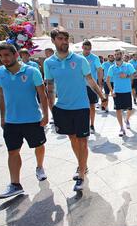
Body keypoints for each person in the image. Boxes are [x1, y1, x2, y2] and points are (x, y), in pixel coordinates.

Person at [44, 28, 107, 192]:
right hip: (63, 108)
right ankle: (82, 165)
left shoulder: (79, 60)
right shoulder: (48, 63)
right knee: (72, 139)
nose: (64, 41)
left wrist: (102, 96)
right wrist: (52, 109)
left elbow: (90, 80)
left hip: (81, 106)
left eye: (66, 38)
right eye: (60, 38)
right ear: (53, 41)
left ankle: (81, 174)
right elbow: (50, 87)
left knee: (83, 141)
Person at [0, 43, 49, 199]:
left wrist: (46, 115)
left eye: (6, 55)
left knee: (39, 146)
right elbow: (1, 95)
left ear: (15, 55)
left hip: (32, 119)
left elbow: (42, 94)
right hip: (11, 121)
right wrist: (2, 117)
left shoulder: (32, 71)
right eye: (0, 56)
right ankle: (15, 184)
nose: (3, 59)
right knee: (12, 151)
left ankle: (39, 167)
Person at [106, 49, 136, 137]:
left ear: (122, 55)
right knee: (118, 110)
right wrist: (112, 91)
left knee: (130, 109)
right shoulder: (112, 68)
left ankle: (127, 119)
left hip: (127, 91)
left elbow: (136, 75)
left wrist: (126, 76)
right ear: (114, 56)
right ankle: (121, 128)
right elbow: (107, 80)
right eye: (115, 54)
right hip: (117, 92)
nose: (117, 56)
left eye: (118, 54)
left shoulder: (128, 65)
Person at [81, 40, 103, 134]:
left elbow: (99, 70)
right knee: (81, 107)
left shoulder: (94, 58)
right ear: (82, 47)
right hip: (80, 86)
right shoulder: (77, 57)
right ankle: (83, 125)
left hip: (91, 86)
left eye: (89, 49)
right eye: (85, 49)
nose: (87, 51)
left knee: (92, 107)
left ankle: (92, 125)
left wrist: (100, 84)